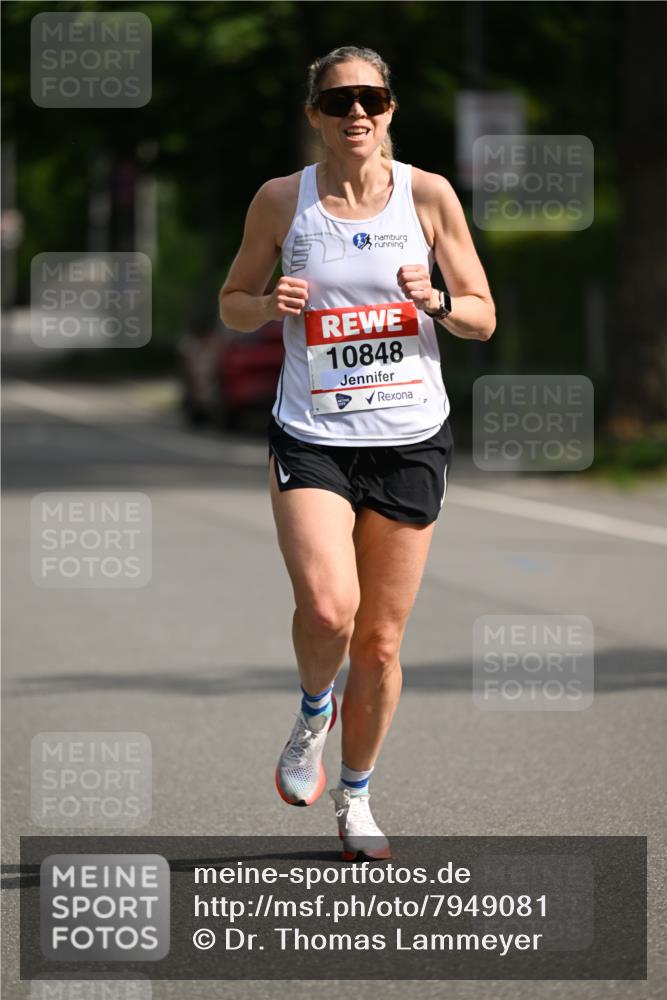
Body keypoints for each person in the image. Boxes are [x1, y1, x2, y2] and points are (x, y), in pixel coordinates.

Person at [219, 45, 495, 861]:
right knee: (330, 609)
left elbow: (481, 315)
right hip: (314, 437)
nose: (356, 114)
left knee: (377, 643)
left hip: (409, 438)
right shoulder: (280, 202)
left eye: (371, 98)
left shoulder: (427, 196)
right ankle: (312, 713)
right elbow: (231, 305)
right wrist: (268, 303)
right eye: (339, 101)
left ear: (389, 108)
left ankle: (358, 797)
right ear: (315, 115)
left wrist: (438, 300)